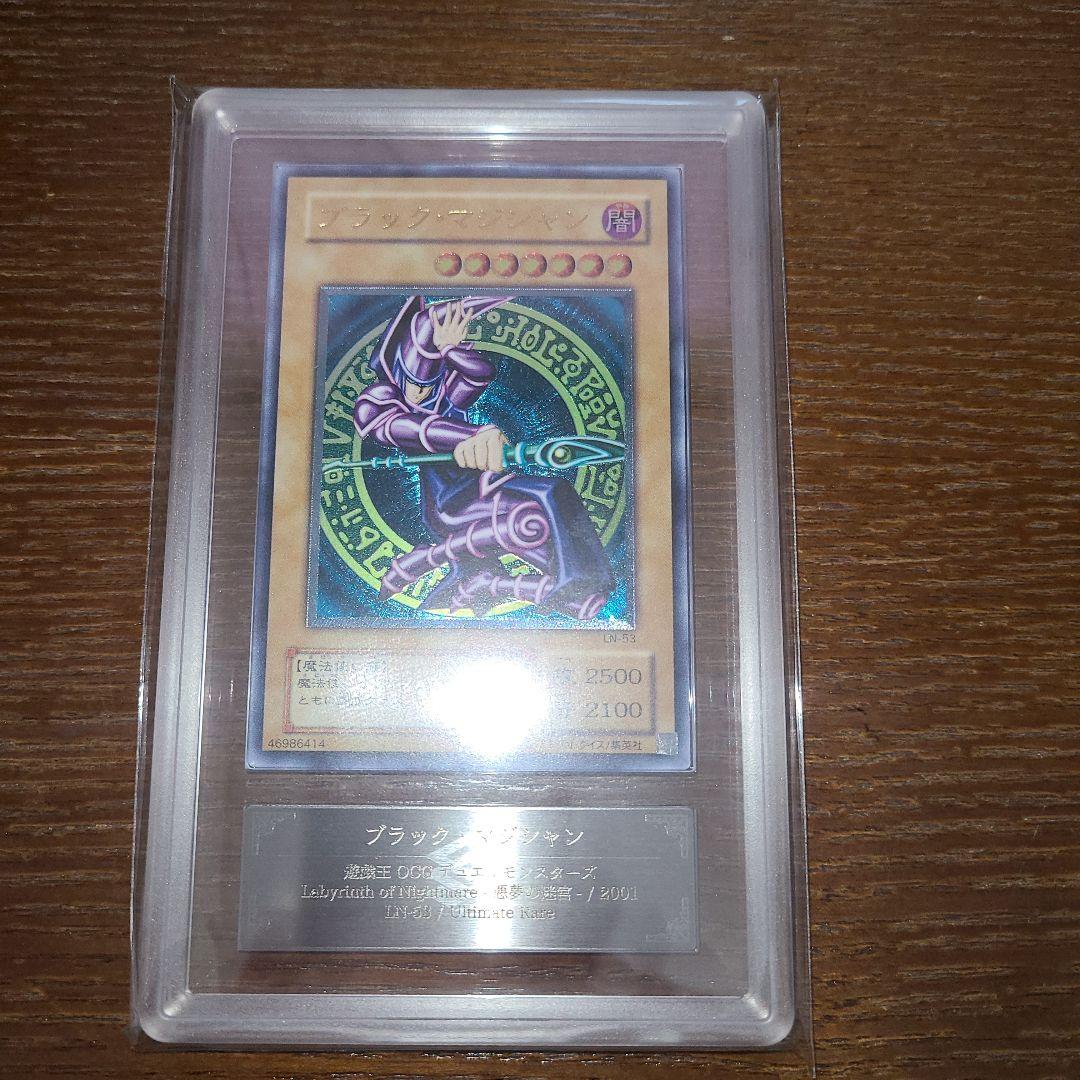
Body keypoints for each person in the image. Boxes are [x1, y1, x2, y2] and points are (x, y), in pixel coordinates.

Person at [352, 295, 615, 619]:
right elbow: (407, 429)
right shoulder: (380, 403)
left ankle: (522, 583)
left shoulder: (442, 396)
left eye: (428, 384)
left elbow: (480, 374)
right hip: (450, 504)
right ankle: (450, 564)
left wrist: (450, 349)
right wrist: (469, 436)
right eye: (413, 383)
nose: (420, 393)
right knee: (532, 514)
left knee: (551, 494)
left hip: (482, 486)